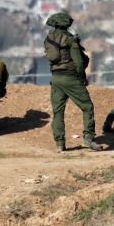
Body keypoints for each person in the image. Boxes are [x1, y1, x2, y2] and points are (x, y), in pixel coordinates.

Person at [43, 11, 102, 152]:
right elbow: (79, 62)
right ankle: (88, 138)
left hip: (55, 78)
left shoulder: (48, 39)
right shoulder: (70, 39)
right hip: (70, 77)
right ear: (66, 24)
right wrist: (82, 77)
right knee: (87, 106)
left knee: (58, 112)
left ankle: (60, 144)